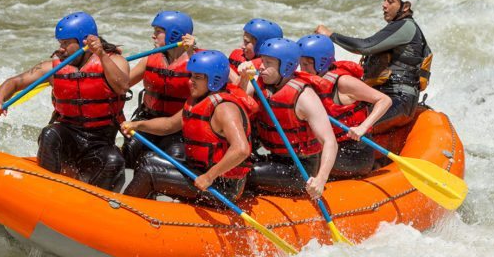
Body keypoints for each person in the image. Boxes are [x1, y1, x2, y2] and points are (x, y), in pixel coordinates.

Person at [0, 12, 130, 192]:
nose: (61, 49)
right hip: (68, 135)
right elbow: (15, 82)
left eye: (65, 43)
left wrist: (101, 53)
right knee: (49, 134)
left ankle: (95, 208)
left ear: (84, 41)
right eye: (59, 43)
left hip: (100, 140)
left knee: (114, 161)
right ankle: (45, 192)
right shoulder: (54, 67)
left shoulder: (114, 61)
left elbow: (122, 86)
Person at [121, 50, 258, 204]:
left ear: (215, 80)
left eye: (197, 78)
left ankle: (123, 210)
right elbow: (169, 125)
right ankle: (144, 208)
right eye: (191, 76)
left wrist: (209, 176)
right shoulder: (198, 101)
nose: (190, 81)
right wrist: (137, 125)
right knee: (147, 159)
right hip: (200, 173)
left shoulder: (225, 108)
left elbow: (241, 149)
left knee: (150, 172)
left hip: (223, 186)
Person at [315, 0, 432, 133]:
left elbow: (365, 46)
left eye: (390, 1)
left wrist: (330, 35)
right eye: (384, 0)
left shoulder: (406, 27)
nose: (384, 5)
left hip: (398, 100)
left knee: (345, 121)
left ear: (406, 7)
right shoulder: (397, 27)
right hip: (388, 97)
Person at [238, 38, 338, 199]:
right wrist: (243, 77)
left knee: (242, 174)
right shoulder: (259, 82)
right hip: (271, 155)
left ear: (286, 67)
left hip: (300, 169)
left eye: (268, 63)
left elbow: (330, 142)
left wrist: (320, 179)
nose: (261, 67)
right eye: (262, 61)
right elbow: (237, 103)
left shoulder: (304, 97)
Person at [297, 34, 392, 177]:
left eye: (306, 64)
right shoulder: (309, 82)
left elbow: (384, 100)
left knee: (310, 160)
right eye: (300, 63)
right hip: (329, 148)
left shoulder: (343, 82)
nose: (302, 68)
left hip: (355, 153)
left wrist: (363, 127)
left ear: (321, 62)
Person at [122, 11, 196, 169]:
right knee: (130, 148)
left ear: (174, 34)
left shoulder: (196, 63)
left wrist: (192, 52)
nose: (153, 36)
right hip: (148, 121)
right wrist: (105, 58)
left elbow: (170, 125)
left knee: (174, 156)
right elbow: (121, 84)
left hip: (179, 131)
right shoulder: (151, 58)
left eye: (158, 32)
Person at [227, 18, 283, 83]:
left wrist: (224, 67)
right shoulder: (239, 55)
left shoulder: (266, 68)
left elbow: (241, 88)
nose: (242, 46)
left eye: (247, 42)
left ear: (260, 46)